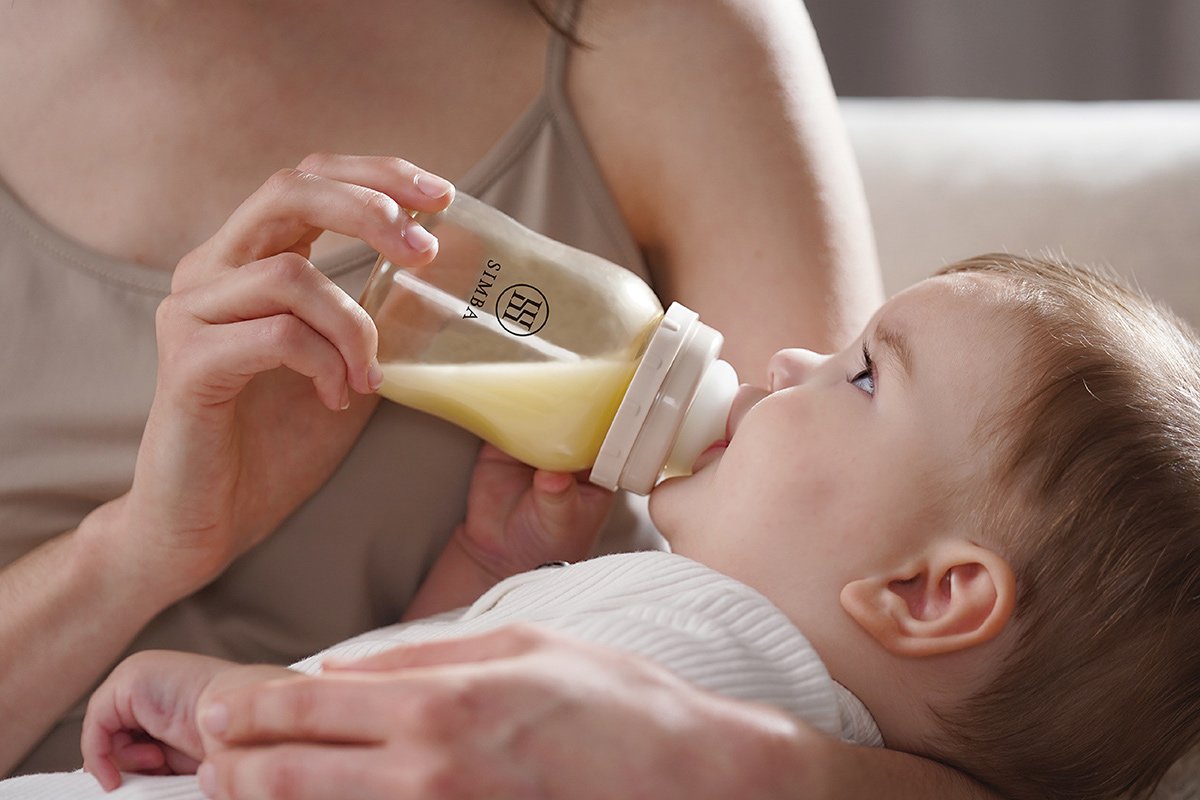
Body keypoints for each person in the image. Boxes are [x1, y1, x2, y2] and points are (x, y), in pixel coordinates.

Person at [67, 255, 1200, 800]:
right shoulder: (699, 639)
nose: (792, 358)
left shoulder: (709, 651)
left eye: (861, 377)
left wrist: (237, 712)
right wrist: (491, 571)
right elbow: (434, 725)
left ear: (925, 592)